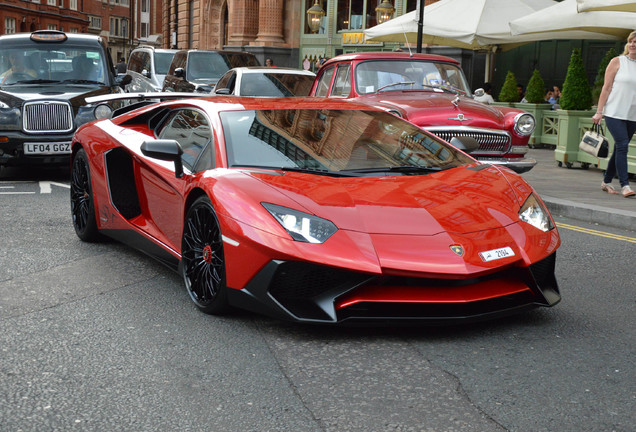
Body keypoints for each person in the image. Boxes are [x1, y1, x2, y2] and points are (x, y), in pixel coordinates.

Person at [593, 30, 636, 198]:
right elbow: (606, 87)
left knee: (619, 148)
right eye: (631, 41)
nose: (633, 44)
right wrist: (599, 112)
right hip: (614, 112)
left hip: (632, 115)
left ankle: (606, 181)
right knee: (623, 145)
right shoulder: (617, 61)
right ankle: (625, 185)